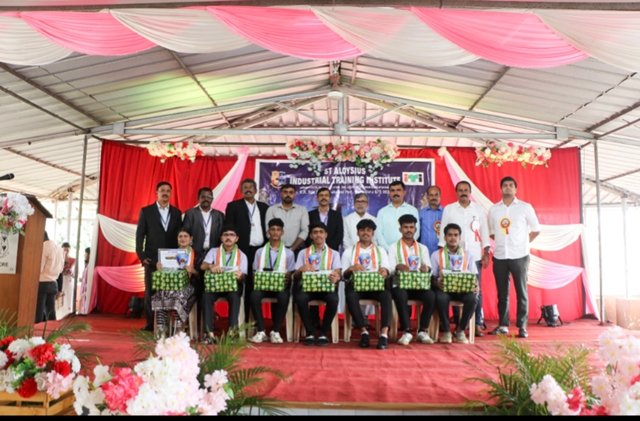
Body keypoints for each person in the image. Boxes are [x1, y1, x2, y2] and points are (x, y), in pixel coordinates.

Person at [488, 176, 541, 339]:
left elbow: (536, 229)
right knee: (502, 294)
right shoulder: (494, 209)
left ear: (516, 189)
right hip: (500, 256)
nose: (508, 187)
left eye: (511, 185)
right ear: (501, 188)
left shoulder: (525, 207)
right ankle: (503, 325)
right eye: (505, 185)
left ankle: (522, 326)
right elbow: (492, 232)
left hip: (520, 255)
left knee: (521, 292)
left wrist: (522, 243)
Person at [439, 181, 490, 336]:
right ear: (456, 192)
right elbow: (443, 231)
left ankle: (477, 323)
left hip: (474, 254)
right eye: (460, 190)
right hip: (454, 255)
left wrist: (486, 252)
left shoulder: (478, 209)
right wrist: (442, 252)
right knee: (454, 286)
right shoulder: (449, 209)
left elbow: (485, 232)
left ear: (470, 192)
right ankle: (458, 322)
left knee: (476, 289)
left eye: (466, 190)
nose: (463, 192)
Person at [135, 181, 183, 332]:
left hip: (171, 259)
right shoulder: (146, 211)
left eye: (168, 191)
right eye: (162, 190)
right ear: (156, 193)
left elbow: (180, 236)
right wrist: (142, 256)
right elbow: (139, 235)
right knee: (151, 291)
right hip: (152, 259)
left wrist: (181, 257)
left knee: (169, 291)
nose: (165, 193)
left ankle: (166, 323)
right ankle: (151, 323)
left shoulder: (177, 213)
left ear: (171, 193)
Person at [342, 219, 392, 350]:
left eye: (369, 230)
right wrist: (350, 269)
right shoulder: (349, 251)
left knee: (387, 295)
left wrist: (385, 271)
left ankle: (384, 334)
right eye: (362, 230)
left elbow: (387, 268)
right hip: (357, 287)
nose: (365, 233)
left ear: (373, 233)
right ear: (357, 233)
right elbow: (343, 275)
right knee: (350, 295)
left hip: (376, 287)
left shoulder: (380, 250)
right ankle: (364, 332)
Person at [224, 178, 269, 319]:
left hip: (260, 251)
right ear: (241, 191)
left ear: (255, 190)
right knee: (242, 284)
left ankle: (254, 319)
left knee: (257, 284)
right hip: (241, 251)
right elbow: (229, 228)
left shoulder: (264, 207)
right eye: (245, 187)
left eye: (251, 187)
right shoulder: (233, 206)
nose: (248, 189)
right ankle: (241, 319)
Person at [389, 215, 435, 345]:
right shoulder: (393, 247)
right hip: (401, 285)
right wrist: (397, 267)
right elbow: (389, 269)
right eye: (405, 227)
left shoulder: (422, 248)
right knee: (400, 294)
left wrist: (426, 268)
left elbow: (430, 268)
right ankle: (407, 331)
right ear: (400, 229)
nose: (408, 230)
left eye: (411, 227)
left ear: (415, 229)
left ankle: (422, 331)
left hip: (419, 286)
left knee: (431, 295)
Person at [293, 222, 341, 346]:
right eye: (315, 232)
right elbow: (295, 275)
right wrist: (300, 269)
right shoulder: (303, 253)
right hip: (308, 289)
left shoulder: (334, 253)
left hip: (326, 288)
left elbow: (338, 272)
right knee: (300, 298)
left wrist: (336, 276)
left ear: (326, 234)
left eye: (321, 232)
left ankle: (324, 332)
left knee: (334, 299)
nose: (318, 235)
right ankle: (310, 332)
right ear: (311, 236)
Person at [249, 218, 295, 344]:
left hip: (280, 286)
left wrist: (287, 275)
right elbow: (254, 272)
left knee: (284, 296)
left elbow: (291, 273)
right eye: (273, 229)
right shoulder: (260, 252)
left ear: (282, 232)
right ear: (268, 231)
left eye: (278, 230)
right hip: (263, 286)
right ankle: (261, 331)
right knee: (254, 295)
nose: (275, 232)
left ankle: (275, 331)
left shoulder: (289, 253)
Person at [431, 223, 478, 344]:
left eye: (456, 235)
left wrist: (475, 285)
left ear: (460, 237)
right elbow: (432, 277)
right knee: (440, 298)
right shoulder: (436, 255)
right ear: (445, 237)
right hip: (445, 290)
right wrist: (437, 283)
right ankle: (447, 331)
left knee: (473, 298)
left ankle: (460, 330)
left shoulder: (468, 255)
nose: (453, 238)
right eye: (450, 235)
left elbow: (474, 275)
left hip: (463, 290)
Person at [200, 225, 248, 344]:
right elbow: (202, 266)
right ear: (221, 238)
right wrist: (211, 266)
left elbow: (244, 276)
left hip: (232, 286)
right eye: (225, 235)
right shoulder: (213, 251)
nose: (228, 237)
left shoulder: (242, 255)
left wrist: (240, 276)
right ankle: (209, 334)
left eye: (231, 235)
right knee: (206, 296)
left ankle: (232, 333)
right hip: (215, 286)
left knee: (234, 296)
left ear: (236, 238)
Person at [183, 187, 225, 305]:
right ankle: (194, 313)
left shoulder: (219, 215)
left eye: (209, 197)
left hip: (213, 255)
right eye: (203, 196)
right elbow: (185, 233)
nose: (206, 199)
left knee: (210, 286)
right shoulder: (190, 213)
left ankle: (208, 312)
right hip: (195, 254)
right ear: (198, 198)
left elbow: (222, 236)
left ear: (212, 199)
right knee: (195, 285)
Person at [151, 229, 198, 337]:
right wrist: (160, 268)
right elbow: (165, 273)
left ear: (190, 239)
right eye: (180, 236)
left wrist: (192, 270)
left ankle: (178, 329)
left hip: (190, 285)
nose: (183, 239)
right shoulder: (169, 254)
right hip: (170, 285)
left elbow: (200, 274)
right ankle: (161, 328)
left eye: (185, 236)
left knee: (179, 296)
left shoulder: (196, 254)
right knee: (160, 294)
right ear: (177, 239)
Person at [265, 183, 309, 255]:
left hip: (296, 250)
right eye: (285, 192)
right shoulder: (272, 209)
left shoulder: (302, 210)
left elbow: (305, 231)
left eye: (291, 192)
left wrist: (292, 249)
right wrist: (278, 248)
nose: (288, 194)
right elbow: (268, 231)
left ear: (295, 194)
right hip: (275, 249)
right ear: (281, 194)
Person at [375, 181, 420, 250]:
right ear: (389, 193)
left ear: (404, 192)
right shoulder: (382, 212)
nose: (395, 193)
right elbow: (378, 234)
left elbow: (416, 232)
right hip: (387, 251)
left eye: (398, 190)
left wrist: (405, 248)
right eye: (392, 190)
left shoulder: (413, 210)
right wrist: (389, 250)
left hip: (407, 250)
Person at [36, 231, 64, 323]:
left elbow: (39, 267)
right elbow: (61, 270)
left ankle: (37, 331)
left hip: (42, 282)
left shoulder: (44, 246)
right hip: (53, 283)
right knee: (51, 313)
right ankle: (52, 330)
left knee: (38, 313)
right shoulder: (59, 248)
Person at [307, 188, 343, 252]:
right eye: (321, 195)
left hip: (332, 250)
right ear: (317, 198)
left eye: (326, 195)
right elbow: (308, 233)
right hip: (313, 250)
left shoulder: (337, 215)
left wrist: (328, 248)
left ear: (330, 198)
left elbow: (339, 234)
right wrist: (316, 247)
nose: (324, 198)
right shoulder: (310, 215)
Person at [418, 186, 443, 259]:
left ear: (440, 196)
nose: (434, 197)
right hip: (425, 253)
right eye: (431, 195)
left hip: (442, 252)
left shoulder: (446, 212)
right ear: (427, 197)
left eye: (436, 195)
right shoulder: (421, 213)